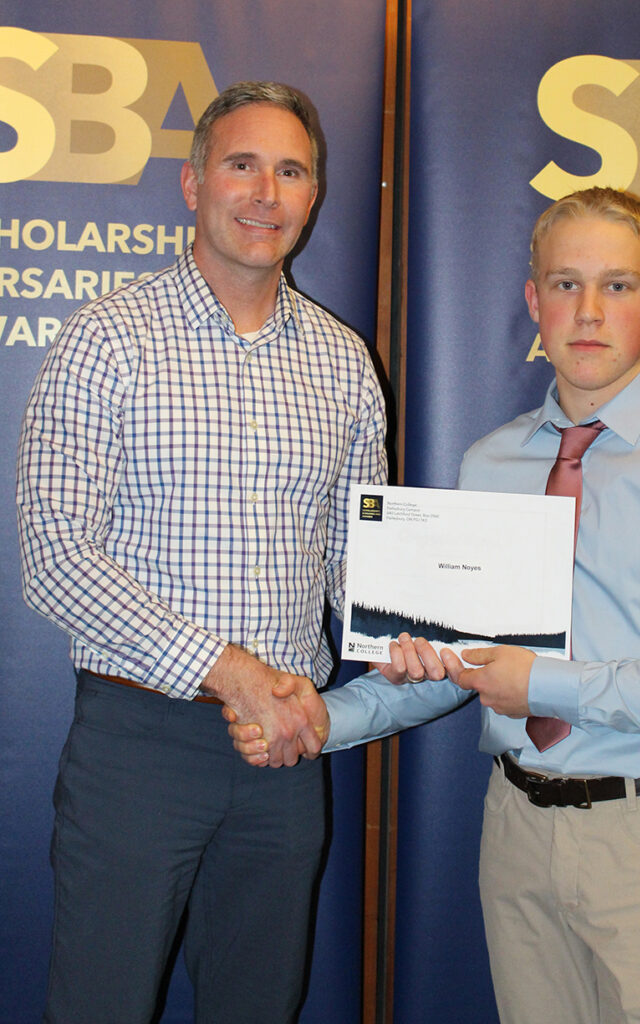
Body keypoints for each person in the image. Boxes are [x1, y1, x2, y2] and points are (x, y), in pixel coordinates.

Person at [231, 187, 640, 1023]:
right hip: (517, 829)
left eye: (618, 285)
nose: (589, 311)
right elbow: (462, 668)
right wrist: (323, 717)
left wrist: (547, 686)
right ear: (534, 301)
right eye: (566, 285)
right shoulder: (491, 460)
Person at [16, 81, 387, 1024]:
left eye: (292, 170)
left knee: (260, 1008)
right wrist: (230, 672)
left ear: (314, 196)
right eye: (242, 164)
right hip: (139, 748)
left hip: (288, 757)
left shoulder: (345, 363)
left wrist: (413, 632)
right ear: (192, 185)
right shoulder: (107, 339)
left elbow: (355, 559)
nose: (267, 191)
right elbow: (54, 555)